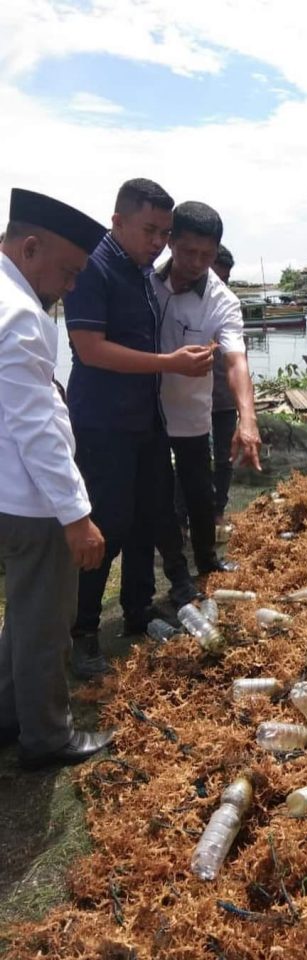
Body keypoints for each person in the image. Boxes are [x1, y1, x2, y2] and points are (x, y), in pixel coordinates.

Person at [65, 179, 211, 679]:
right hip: (104, 422)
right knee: (105, 526)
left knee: (149, 515)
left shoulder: (141, 272)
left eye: (163, 232)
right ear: (118, 221)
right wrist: (169, 362)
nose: (157, 242)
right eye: (149, 230)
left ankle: (136, 609)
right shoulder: (95, 269)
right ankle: (82, 632)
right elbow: (89, 349)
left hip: (145, 420)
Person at [0, 187, 115, 767]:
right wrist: (76, 515)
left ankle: (7, 714)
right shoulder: (19, 315)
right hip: (31, 501)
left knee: (21, 613)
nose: (71, 287)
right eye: (68, 272)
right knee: (46, 623)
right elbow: (36, 428)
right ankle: (46, 736)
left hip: (9, 494)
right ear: (29, 246)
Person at [151, 202, 261, 575]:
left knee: (200, 494)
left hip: (190, 414)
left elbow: (236, 361)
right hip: (143, 411)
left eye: (207, 255)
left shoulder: (222, 301)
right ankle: (167, 574)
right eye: (189, 252)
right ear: (170, 243)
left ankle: (206, 564)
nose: (198, 262)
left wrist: (248, 419)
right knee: (155, 497)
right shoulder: (145, 282)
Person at [209, 244, 240, 525]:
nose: (222, 285)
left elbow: (238, 359)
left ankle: (218, 511)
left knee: (224, 458)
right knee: (188, 461)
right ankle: (181, 519)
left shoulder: (229, 302)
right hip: (192, 399)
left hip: (224, 397)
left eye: (226, 279)